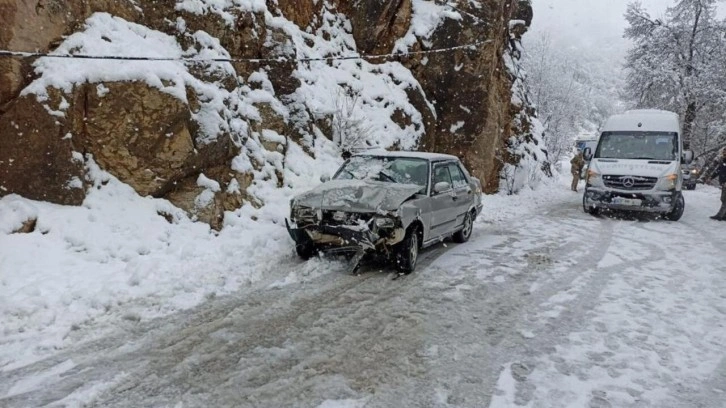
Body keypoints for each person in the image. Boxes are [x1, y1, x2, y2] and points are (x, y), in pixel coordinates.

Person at [703, 148, 726, 220]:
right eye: (723, 153)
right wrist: (711, 178)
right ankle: (724, 215)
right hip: (723, 183)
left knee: (725, 199)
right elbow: (718, 170)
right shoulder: (723, 161)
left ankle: (720, 215)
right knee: (723, 199)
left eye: (725, 153)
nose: (724, 154)